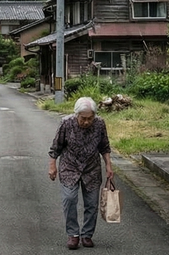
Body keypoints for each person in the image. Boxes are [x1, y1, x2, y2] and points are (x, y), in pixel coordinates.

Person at [48, 96, 114, 250]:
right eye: (83, 118)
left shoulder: (99, 124)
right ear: (76, 114)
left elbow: (105, 147)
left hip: (91, 169)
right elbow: (56, 147)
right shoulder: (66, 123)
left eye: (89, 118)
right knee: (69, 199)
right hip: (69, 167)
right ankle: (73, 234)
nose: (86, 122)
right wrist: (52, 166)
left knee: (91, 204)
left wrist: (109, 166)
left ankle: (87, 234)